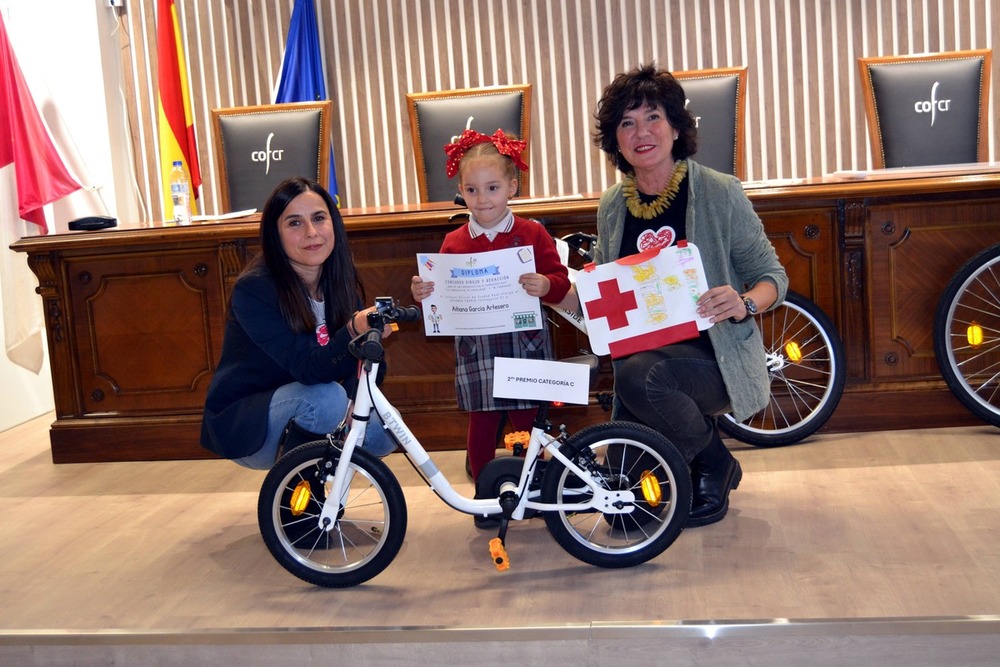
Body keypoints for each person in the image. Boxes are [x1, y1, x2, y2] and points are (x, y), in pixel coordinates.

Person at [558, 63, 788, 527]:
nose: (641, 132)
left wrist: (743, 303)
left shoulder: (720, 192)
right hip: (639, 372)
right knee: (627, 520)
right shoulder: (611, 205)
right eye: (627, 122)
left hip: (712, 360)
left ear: (677, 127)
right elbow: (601, 292)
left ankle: (709, 461)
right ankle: (703, 457)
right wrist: (556, 289)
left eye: (653, 117)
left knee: (644, 375)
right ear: (615, 140)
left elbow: (772, 277)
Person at [410, 129, 571, 502]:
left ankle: (539, 488)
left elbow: (561, 282)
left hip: (525, 343)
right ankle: (485, 494)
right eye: (472, 190)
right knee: (481, 420)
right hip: (476, 347)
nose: (482, 199)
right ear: (462, 191)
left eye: (493, 188)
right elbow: (441, 299)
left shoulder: (533, 233)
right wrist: (423, 294)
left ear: (512, 187)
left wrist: (546, 285)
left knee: (529, 419)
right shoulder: (453, 242)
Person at [201, 176, 396, 469]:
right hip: (249, 420)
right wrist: (354, 330)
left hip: (312, 400)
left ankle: (327, 502)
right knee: (325, 399)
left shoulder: (340, 282)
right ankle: (297, 508)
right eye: (294, 223)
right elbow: (308, 369)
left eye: (319, 218)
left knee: (384, 428)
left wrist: (356, 399)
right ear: (274, 235)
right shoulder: (255, 290)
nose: (312, 232)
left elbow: (368, 360)